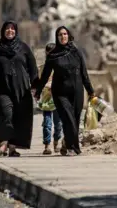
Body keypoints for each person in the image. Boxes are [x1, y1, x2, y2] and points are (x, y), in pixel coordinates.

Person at [0, 20, 38, 157]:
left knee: (19, 116)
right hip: (1, 88)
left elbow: (33, 69)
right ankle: (3, 145)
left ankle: (12, 147)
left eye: (12, 29)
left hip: (21, 88)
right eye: (7, 28)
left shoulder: (24, 48)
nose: (10, 31)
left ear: (16, 31)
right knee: (6, 114)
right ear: (3, 31)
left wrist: (36, 87)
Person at [33, 26, 93, 156]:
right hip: (60, 92)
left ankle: (70, 146)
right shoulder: (53, 55)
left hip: (77, 91)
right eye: (60, 34)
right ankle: (72, 147)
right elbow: (45, 75)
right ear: (57, 37)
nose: (63, 36)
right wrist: (38, 91)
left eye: (65, 34)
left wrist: (90, 90)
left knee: (75, 119)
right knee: (68, 118)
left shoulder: (76, 52)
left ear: (68, 35)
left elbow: (84, 72)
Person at [37, 43, 63, 155]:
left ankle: (56, 141)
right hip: (47, 100)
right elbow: (38, 82)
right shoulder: (42, 68)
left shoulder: (61, 66)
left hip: (58, 99)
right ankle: (47, 145)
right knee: (47, 124)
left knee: (58, 125)